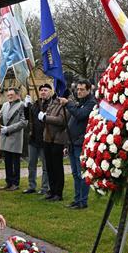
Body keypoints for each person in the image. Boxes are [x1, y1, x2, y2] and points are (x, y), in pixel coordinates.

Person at [66, 80, 96, 209]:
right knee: (75, 174)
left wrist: (68, 104)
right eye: (77, 89)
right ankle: (77, 199)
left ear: (89, 90)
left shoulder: (91, 103)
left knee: (81, 174)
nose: (79, 91)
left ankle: (83, 201)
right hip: (72, 143)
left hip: (81, 143)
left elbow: (80, 115)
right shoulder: (80, 102)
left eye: (82, 89)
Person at [41, 91, 70, 202]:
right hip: (47, 138)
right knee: (49, 166)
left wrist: (46, 118)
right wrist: (44, 116)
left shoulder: (65, 104)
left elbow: (61, 120)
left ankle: (58, 193)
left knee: (57, 167)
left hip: (58, 139)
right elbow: (48, 114)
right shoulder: (53, 103)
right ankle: (52, 190)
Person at [23, 84, 52, 195]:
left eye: (45, 90)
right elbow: (28, 117)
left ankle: (45, 187)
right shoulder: (35, 104)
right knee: (31, 165)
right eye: (41, 90)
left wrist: (45, 116)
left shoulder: (52, 104)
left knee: (45, 166)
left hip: (45, 139)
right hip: (33, 139)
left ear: (50, 91)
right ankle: (32, 186)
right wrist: (26, 106)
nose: (43, 92)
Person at [0, 88, 27, 190]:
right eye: (8, 95)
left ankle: (15, 183)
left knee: (15, 162)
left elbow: (24, 122)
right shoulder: (5, 105)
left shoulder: (23, 105)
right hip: (5, 137)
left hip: (15, 137)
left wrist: (8, 129)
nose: (9, 96)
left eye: (11, 94)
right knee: (7, 161)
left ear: (17, 95)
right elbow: (0, 115)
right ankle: (9, 182)